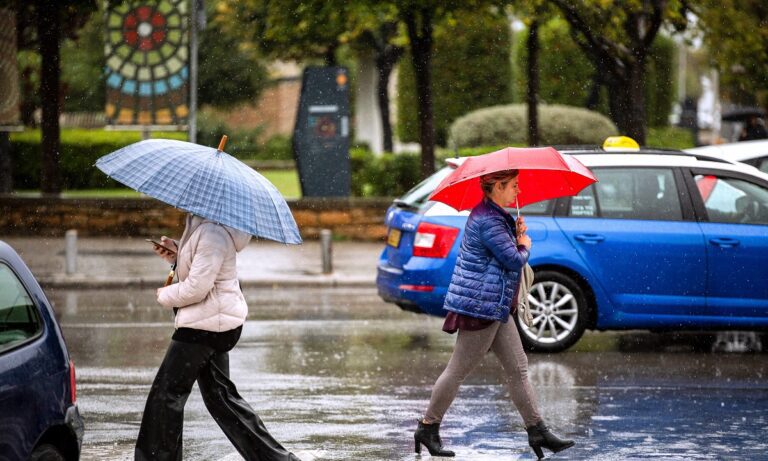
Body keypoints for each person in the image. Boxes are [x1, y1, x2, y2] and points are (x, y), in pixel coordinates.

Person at [413, 170, 574, 460]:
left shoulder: (494, 216)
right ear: (497, 186)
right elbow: (512, 260)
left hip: (495, 305)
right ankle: (428, 427)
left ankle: (537, 430)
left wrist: (515, 233)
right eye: (513, 186)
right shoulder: (488, 219)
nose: (518, 191)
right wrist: (524, 245)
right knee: (457, 370)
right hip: (481, 306)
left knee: (518, 368)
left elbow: (499, 254)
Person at [135, 213, 301, 461]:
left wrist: (164, 295)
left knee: (166, 394)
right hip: (213, 322)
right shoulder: (204, 226)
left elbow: (197, 287)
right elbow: (205, 267)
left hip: (204, 326)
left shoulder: (212, 233)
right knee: (221, 399)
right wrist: (178, 254)